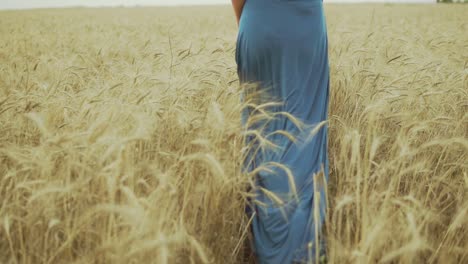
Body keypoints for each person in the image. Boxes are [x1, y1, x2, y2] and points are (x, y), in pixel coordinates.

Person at [232, 0, 330, 263]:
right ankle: (302, 252)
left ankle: (263, 249)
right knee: (304, 141)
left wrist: (256, 20)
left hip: (257, 24)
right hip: (304, 28)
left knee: (261, 139)